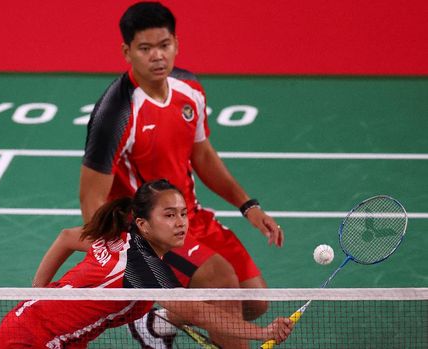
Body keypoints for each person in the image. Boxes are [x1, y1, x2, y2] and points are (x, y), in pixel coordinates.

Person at [33, 2, 285, 347]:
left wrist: (248, 205)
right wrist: (118, 255)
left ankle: (158, 316)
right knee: (221, 281)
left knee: (255, 302)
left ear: (176, 44)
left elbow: (203, 155)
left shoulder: (189, 89)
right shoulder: (116, 113)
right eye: (145, 48)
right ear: (127, 51)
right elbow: (90, 196)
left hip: (188, 214)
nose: (157, 57)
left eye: (164, 45)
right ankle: (156, 302)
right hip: (145, 227)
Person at [0, 180, 292, 348]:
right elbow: (200, 312)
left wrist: (37, 293)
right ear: (144, 224)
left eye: (183, 214)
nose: (180, 224)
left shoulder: (122, 238)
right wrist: (261, 332)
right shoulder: (143, 269)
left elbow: (66, 238)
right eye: (169, 215)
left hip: (48, 332)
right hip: (31, 341)